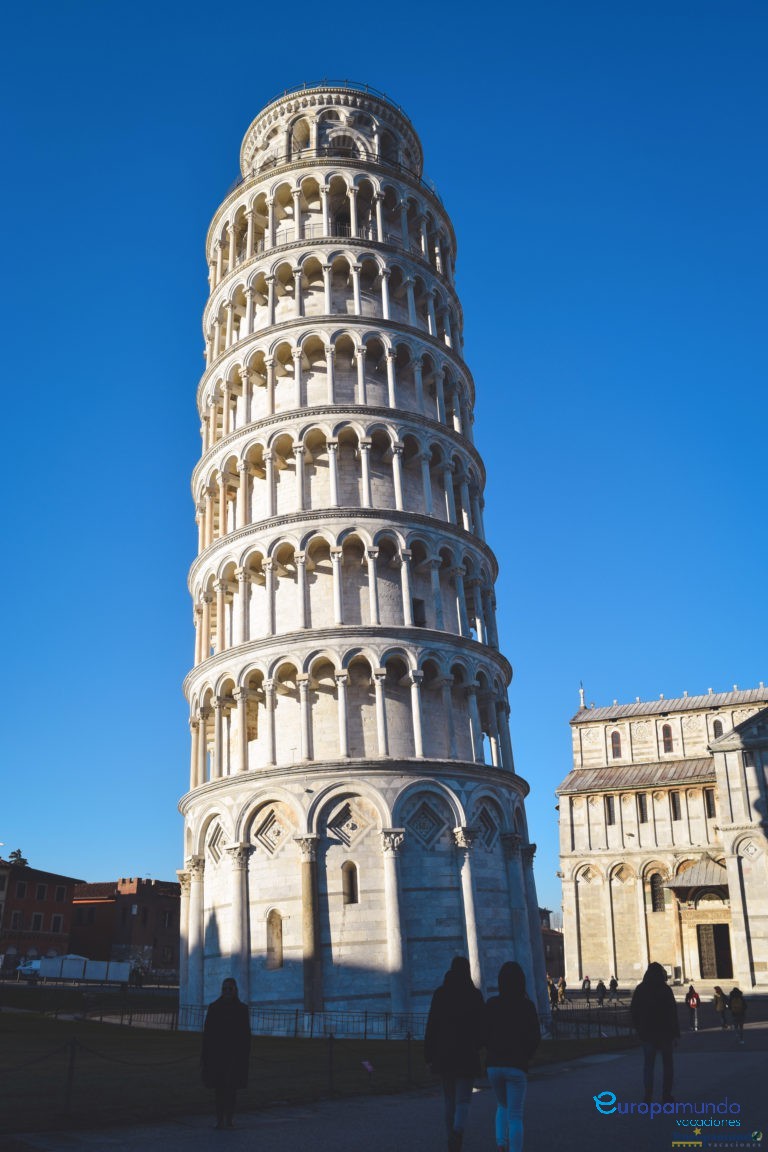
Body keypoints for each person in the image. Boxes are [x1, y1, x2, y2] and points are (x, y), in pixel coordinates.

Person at [424, 956, 485, 1152]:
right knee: (464, 1100)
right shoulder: (474, 994)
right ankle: (457, 1132)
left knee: (449, 1100)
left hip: (445, 1054)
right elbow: (482, 1027)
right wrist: (478, 1045)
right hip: (467, 1053)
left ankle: (452, 1136)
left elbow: (431, 1025)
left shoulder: (440, 994)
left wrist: (428, 1055)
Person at [485, 961, 541, 1152]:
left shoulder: (492, 1004)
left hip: (493, 1066)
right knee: (515, 1115)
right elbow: (535, 1036)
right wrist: (528, 1055)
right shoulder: (526, 1006)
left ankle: (501, 1144)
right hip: (516, 1065)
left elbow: (484, 1033)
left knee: (502, 1105)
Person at [201, 977, 251, 1130]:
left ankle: (229, 1119)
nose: (227, 991)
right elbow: (208, 1033)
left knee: (232, 1090)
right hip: (218, 1055)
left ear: (235, 990)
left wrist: (244, 1054)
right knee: (219, 1089)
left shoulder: (242, 1009)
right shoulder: (214, 1007)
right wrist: (206, 1055)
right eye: (225, 989)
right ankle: (219, 1119)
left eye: (230, 989)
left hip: (234, 1056)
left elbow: (246, 1034)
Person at [630, 962, 679, 1104]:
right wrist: (675, 1034)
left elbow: (634, 1011)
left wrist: (638, 1029)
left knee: (648, 1066)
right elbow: (672, 1012)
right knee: (667, 1065)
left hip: (647, 1033)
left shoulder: (641, 989)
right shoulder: (665, 989)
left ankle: (648, 1096)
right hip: (665, 1033)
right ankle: (666, 1096)